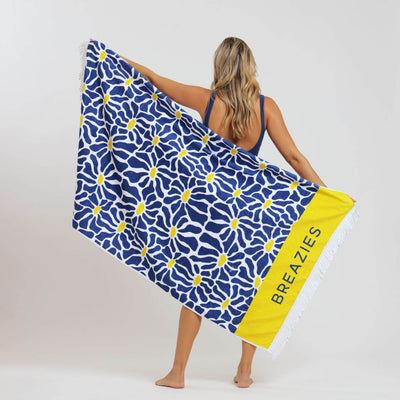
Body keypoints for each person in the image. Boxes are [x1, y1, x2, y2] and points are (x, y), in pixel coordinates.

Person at [90, 37, 356, 389]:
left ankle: (178, 373)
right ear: (249, 67)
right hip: (249, 211)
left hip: (207, 211)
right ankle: (244, 372)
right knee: (253, 285)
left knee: (194, 288)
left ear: (220, 66)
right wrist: (329, 196)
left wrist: (108, 58)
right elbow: (295, 158)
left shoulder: (207, 100)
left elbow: (153, 79)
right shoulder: (266, 108)